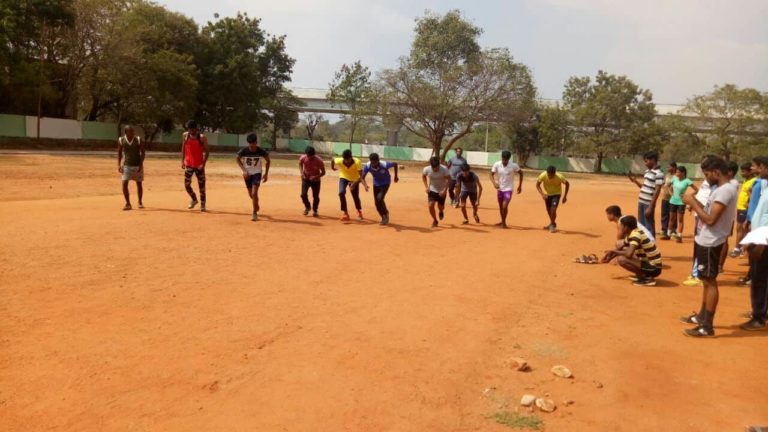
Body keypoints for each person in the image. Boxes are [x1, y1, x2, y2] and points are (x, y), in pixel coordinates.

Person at [680, 156, 738, 337]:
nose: (706, 178)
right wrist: (695, 203)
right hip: (705, 239)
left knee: (710, 281)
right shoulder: (721, 189)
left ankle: (707, 326)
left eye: (707, 174)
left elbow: (711, 219)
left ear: (716, 171)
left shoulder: (725, 191)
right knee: (705, 280)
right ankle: (702, 317)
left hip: (712, 241)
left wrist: (692, 202)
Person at [740, 157, 768, 330]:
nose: (753, 169)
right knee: (761, 278)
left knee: (759, 279)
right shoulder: (764, 186)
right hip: (758, 237)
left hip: (763, 241)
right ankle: (761, 311)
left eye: (757, 167)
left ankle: (758, 317)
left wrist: (760, 245)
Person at [602, 215, 663, 286]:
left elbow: (629, 254)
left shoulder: (635, 235)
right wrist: (610, 257)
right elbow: (620, 246)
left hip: (654, 268)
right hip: (651, 265)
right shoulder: (634, 232)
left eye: (621, 226)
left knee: (621, 259)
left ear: (626, 227)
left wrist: (615, 252)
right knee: (622, 248)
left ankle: (646, 278)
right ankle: (644, 276)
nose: (620, 228)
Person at [627, 151, 664, 236]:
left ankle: (652, 245)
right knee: (641, 225)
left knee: (649, 226)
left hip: (648, 203)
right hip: (641, 202)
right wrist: (635, 181)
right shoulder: (647, 171)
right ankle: (644, 245)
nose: (645, 163)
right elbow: (644, 186)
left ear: (653, 160)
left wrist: (651, 207)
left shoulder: (659, 173)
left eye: (646, 161)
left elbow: (657, 190)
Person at [236, 133, 270, 221]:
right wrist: (244, 170)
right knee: (251, 195)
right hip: (247, 174)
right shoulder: (244, 151)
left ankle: (254, 212)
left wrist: (266, 174)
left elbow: (268, 161)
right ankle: (256, 204)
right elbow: (237, 159)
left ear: (256, 142)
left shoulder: (261, 151)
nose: (252, 146)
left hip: (257, 173)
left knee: (254, 193)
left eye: (253, 144)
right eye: (250, 144)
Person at [361, 153, 398, 225]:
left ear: (378, 160)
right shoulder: (368, 166)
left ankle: (386, 213)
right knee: (376, 203)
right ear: (370, 161)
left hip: (385, 182)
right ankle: (383, 216)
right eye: (372, 162)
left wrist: (395, 176)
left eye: (375, 162)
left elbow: (395, 164)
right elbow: (362, 177)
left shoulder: (384, 164)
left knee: (380, 198)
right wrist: (365, 185)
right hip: (376, 184)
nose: (374, 164)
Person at [181, 120, 209, 212]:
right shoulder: (185, 135)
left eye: (192, 129)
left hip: (199, 165)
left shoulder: (202, 138)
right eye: (189, 129)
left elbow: (207, 152)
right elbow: (183, 148)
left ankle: (203, 204)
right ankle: (194, 199)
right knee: (186, 185)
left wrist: (203, 164)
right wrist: (182, 161)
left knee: (202, 186)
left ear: (196, 129)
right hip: (189, 164)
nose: (190, 131)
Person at [490, 150, 523, 228]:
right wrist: (494, 183)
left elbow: (521, 173)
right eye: (503, 159)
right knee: (501, 207)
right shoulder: (497, 164)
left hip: (508, 189)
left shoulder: (514, 165)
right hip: (500, 189)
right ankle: (502, 221)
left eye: (506, 160)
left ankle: (504, 224)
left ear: (509, 159)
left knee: (505, 206)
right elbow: (491, 174)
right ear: (501, 157)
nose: (504, 161)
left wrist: (520, 186)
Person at [331, 149, 366, 221]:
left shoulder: (357, 162)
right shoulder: (340, 160)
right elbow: (333, 160)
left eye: (348, 159)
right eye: (345, 159)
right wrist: (332, 168)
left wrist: (362, 184)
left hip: (354, 179)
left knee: (355, 196)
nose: (346, 161)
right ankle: (345, 213)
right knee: (341, 192)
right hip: (343, 177)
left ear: (351, 157)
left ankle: (359, 211)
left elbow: (361, 176)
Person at [731, 162, 756, 257]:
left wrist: (749, 203)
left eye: (744, 171)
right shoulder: (746, 180)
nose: (742, 173)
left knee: (741, 228)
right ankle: (743, 248)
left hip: (745, 208)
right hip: (740, 208)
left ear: (750, 171)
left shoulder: (754, 180)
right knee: (741, 229)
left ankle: (738, 249)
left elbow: (753, 195)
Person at [117, 125, 145, 210]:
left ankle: (140, 202)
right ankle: (128, 203)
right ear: (126, 132)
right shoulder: (121, 140)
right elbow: (119, 153)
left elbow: (143, 153)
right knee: (124, 183)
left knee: (139, 183)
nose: (133, 133)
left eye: (133, 131)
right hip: (126, 165)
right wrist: (118, 165)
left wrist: (141, 164)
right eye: (130, 131)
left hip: (137, 165)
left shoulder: (139, 140)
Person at [668, 166, 698, 243]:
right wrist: (671, 194)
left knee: (680, 219)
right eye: (676, 172)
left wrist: (688, 196)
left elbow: (696, 190)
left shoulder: (687, 181)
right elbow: (668, 186)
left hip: (681, 202)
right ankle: (668, 234)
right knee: (671, 219)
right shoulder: (674, 178)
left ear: (683, 173)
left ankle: (679, 236)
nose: (676, 173)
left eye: (678, 172)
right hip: (672, 201)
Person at [536, 165, 570, 233]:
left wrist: (565, 196)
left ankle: (552, 226)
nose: (550, 177)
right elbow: (537, 185)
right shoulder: (543, 175)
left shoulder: (559, 177)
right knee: (549, 210)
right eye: (549, 175)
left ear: (555, 173)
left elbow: (567, 184)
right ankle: (552, 223)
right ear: (547, 173)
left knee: (553, 210)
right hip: (547, 195)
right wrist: (542, 194)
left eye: (552, 175)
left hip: (556, 194)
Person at [422, 156, 451, 228]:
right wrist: (426, 186)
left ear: (439, 164)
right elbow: (423, 176)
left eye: (437, 167)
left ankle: (441, 211)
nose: (435, 169)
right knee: (430, 206)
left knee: (440, 207)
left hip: (442, 190)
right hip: (432, 190)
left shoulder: (444, 169)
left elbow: (449, 179)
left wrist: (445, 190)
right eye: (433, 168)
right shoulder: (426, 169)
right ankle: (435, 220)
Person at [299, 146, 325, 217]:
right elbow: (300, 164)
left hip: (316, 181)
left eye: (311, 156)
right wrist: (302, 173)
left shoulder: (319, 160)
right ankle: (307, 207)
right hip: (306, 179)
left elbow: (323, 172)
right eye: (308, 156)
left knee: (315, 196)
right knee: (303, 194)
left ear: (314, 155)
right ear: (306, 154)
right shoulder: (303, 158)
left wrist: (315, 177)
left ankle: (315, 210)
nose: (310, 158)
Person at [659, 162, 678, 239]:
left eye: (669, 167)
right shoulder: (666, 175)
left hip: (673, 198)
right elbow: (663, 184)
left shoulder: (677, 176)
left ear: (673, 167)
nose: (667, 169)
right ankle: (664, 229)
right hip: (665, 198)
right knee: (664, 214)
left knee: (673, 215)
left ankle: (673, 230)